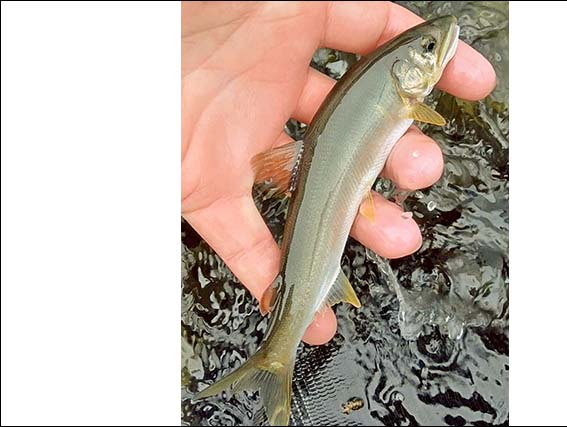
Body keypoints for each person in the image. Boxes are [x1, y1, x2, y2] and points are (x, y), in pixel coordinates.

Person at [181, 1, 496, 346]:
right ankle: (278, 351)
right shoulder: (405, 98)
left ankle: (279, 347)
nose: (437, 45)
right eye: (429, 48)